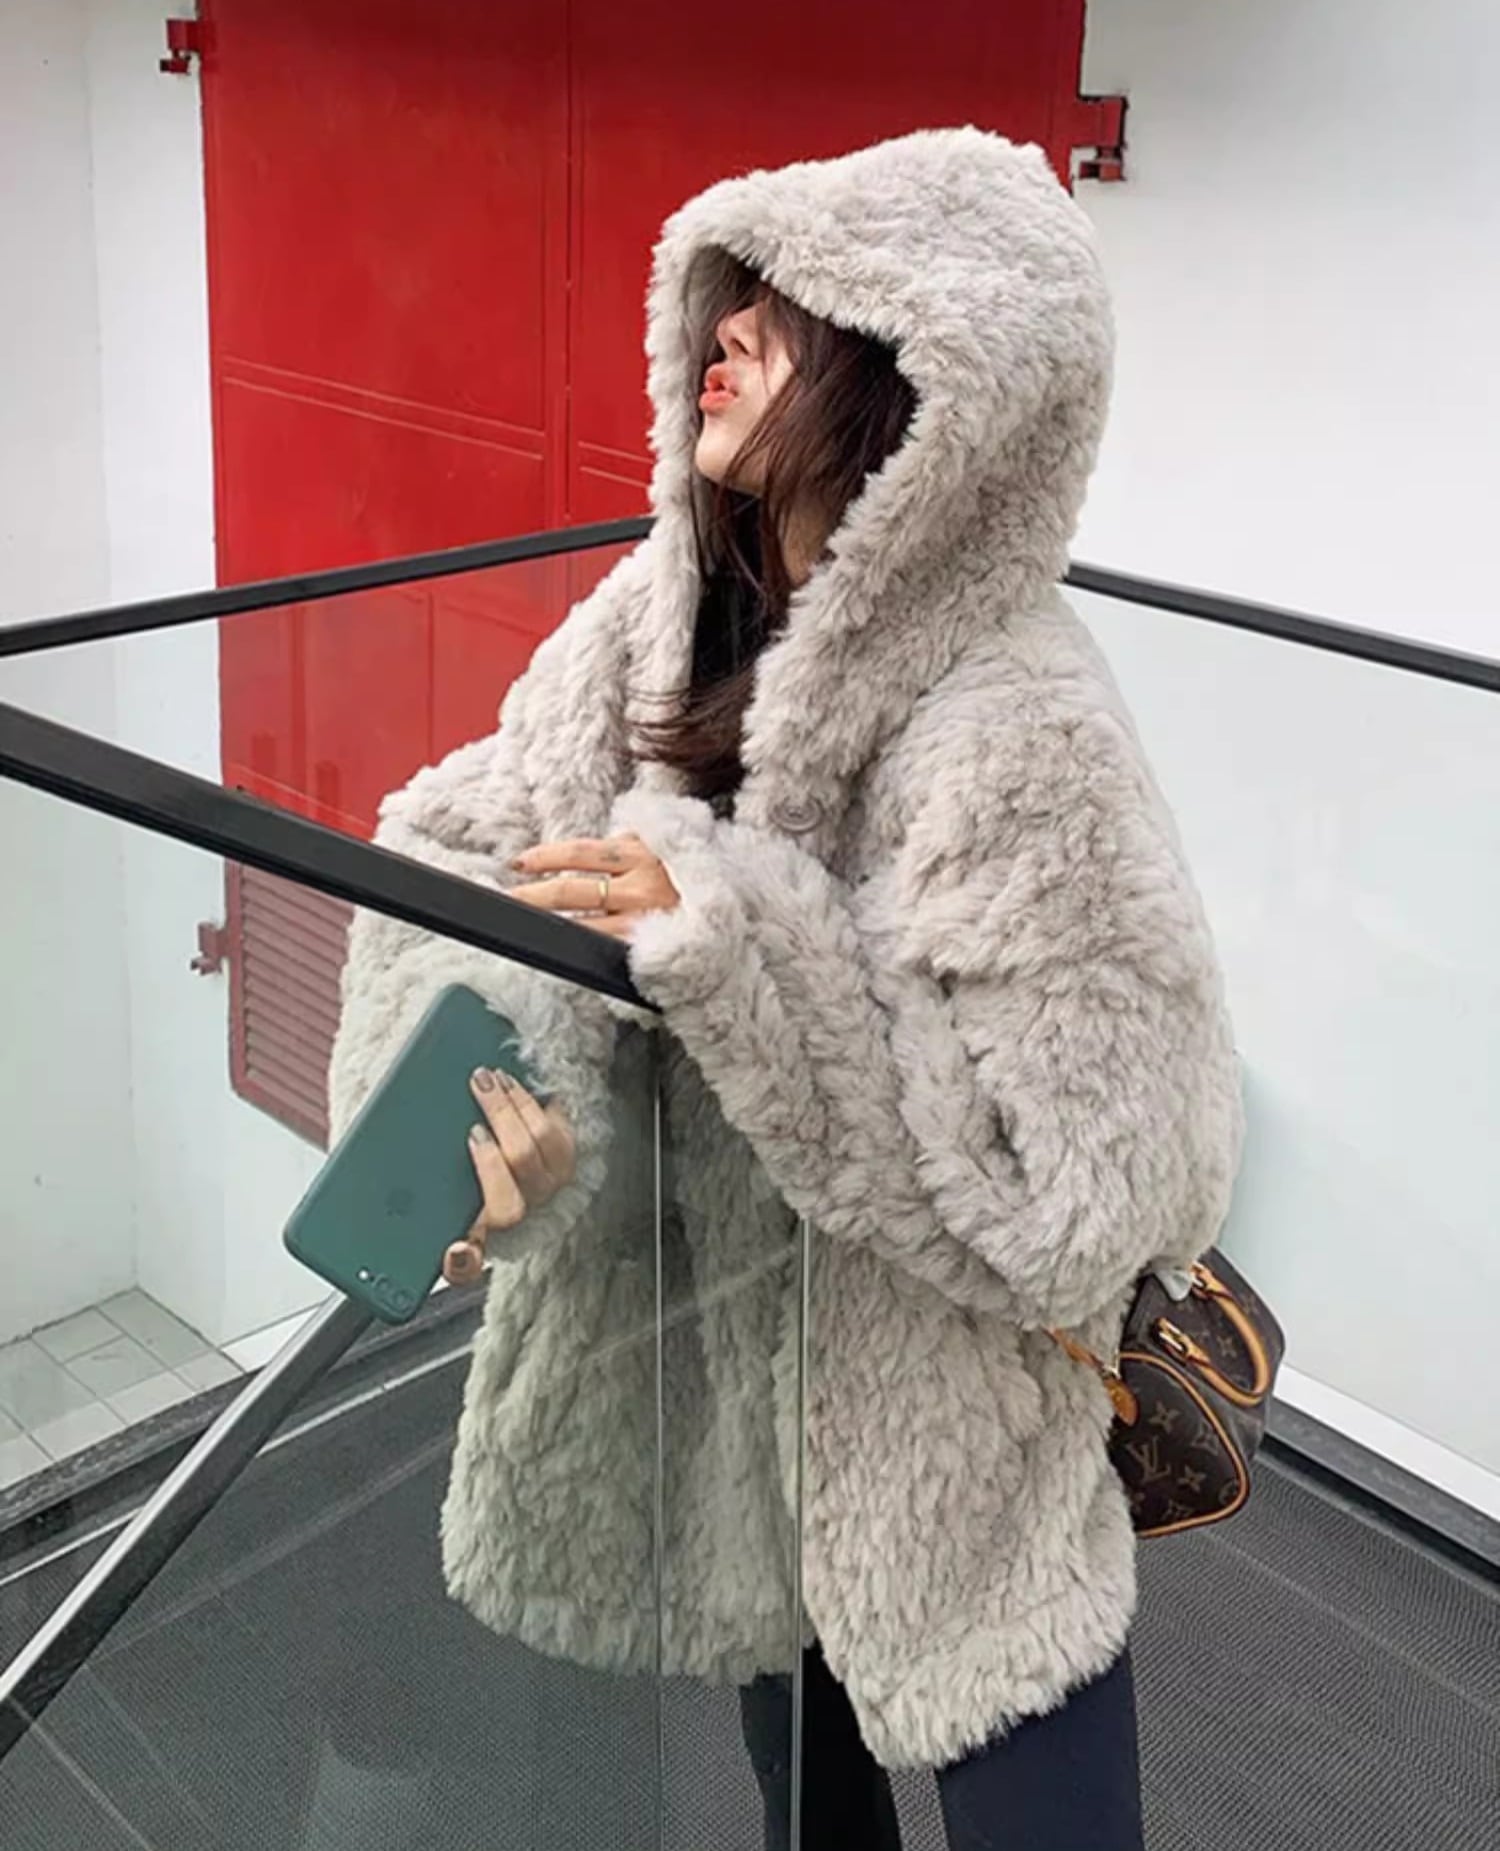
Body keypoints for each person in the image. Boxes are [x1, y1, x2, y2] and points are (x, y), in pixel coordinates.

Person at [330, 129, 1243, 1850]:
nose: (727, 330)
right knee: (803, 1809)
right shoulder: (652, 624)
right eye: (726, 296)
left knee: (1043, 1808)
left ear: (926, 381)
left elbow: (1097, 1189)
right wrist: (513, 1096)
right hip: (730, 1409)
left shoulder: (1021, 721)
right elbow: (462, 841)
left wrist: (741, 945)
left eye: (792, 307)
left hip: (950, 1445)